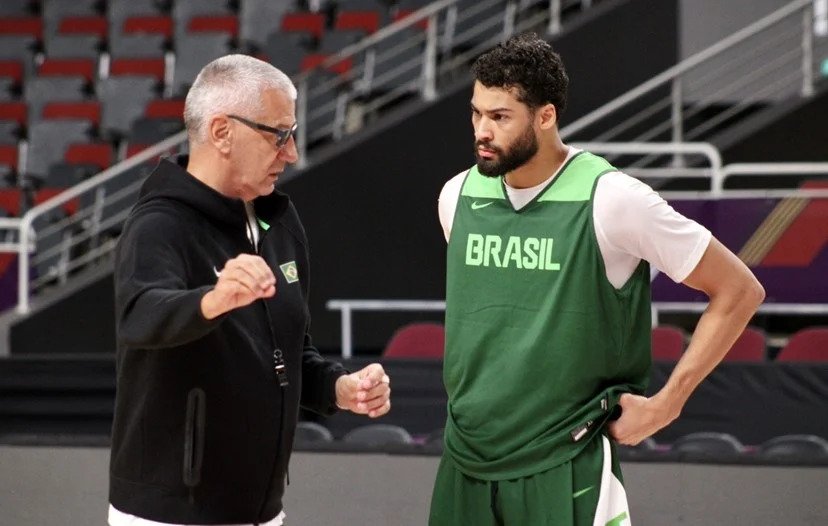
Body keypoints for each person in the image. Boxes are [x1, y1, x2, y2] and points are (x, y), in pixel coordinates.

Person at [429, 33, 764, 526]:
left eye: (500, 117)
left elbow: (738, 290)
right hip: (465, 454)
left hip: (565, 456)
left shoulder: (614, 199)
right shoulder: (457, 196)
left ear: (545, 117)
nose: (482, 130)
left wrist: (667, 404)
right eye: (477, 113)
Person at [108, 55, 391, 526]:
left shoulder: (280, 222)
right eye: (278, 134)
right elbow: (139, 316)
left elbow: (288, 352)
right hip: (169, 515)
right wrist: (212, 300)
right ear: (221, 132)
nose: (293, 152)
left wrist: (339, 389)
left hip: (261, 511)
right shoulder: (158, 223)